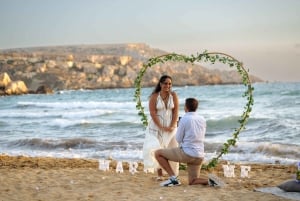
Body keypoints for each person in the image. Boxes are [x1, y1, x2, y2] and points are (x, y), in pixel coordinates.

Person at [154, 98, 223, 187]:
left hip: (187, 154)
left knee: (158, 153)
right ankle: (210, 181)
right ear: (196, 108)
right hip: (199, 156)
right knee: (192, 181)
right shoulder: (202, 119)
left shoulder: (184, 119)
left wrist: (179, 126)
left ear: (186, 107)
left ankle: (173, 178)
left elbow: (178, 139)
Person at [143, 75, 179, 180]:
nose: (167, 85)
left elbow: (176, 111)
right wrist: (161, 126)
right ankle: (159, 175)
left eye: (169, 84)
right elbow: (153, 113)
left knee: (172, 149)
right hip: (156, 127)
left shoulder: (174, 95)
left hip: (171, 127)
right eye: (165, 83)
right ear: (160, 84)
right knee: (158, 148)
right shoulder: (154, 96)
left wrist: (172, 125)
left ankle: (173, 174)